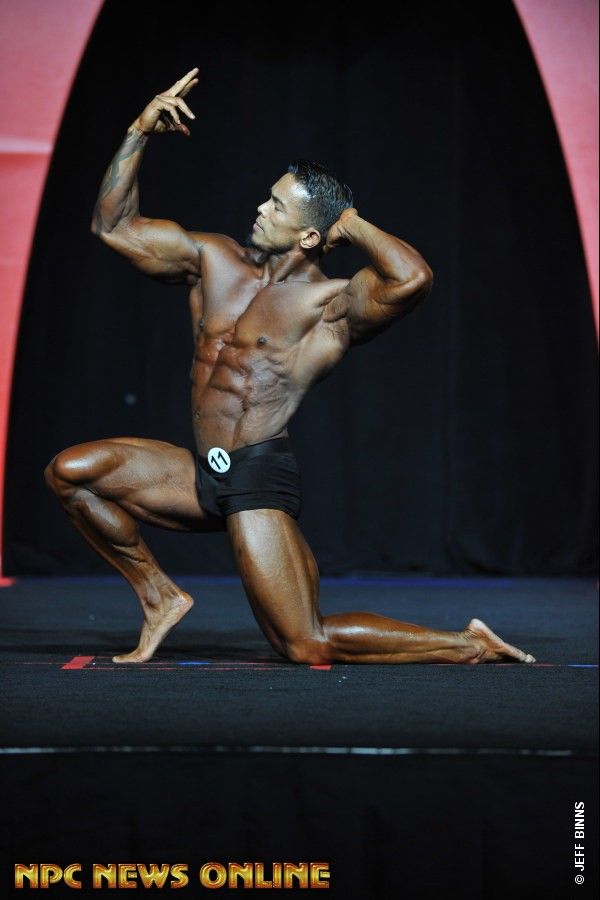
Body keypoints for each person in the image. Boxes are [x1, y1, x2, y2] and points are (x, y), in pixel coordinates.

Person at [45, 68, 535, 667]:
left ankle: (469, 643)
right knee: (71, 474)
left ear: (307, 235)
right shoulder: (213, 259)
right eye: (268, 197)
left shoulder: (328, 306)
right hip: (201, 472)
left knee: (305, 642)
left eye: (276, 205)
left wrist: (347, 221)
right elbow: (114, 227)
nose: (260, 208)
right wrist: (138, 131)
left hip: (256, 477)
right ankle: (160, 597)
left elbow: (413, 278)